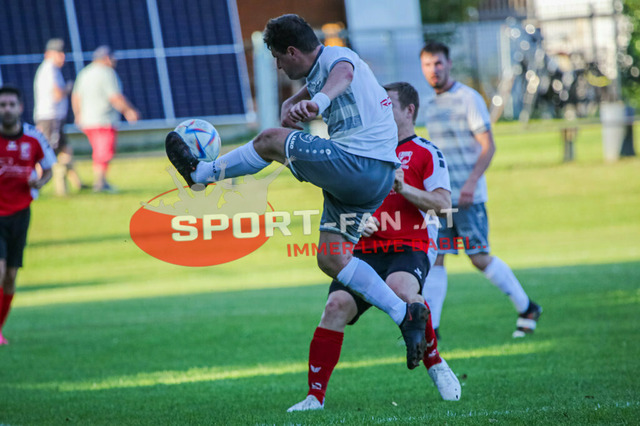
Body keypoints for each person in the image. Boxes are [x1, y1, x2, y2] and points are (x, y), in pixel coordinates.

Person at [166, 14, 429, 367]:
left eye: (278, 57)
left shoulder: (337, 57)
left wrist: (318, 103)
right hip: (372, 181)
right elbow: (327, 79)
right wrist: (295, 101)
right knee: (332, 258)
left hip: (359, 164)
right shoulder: (322, 67)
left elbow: (342, 75)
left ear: (292, 52)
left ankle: (201, 173)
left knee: (270, 139)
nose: (277, 66)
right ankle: (404, 313)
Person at [286, 82, 461, 412]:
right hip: (362, 250)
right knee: (335, 306)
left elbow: (443, 205)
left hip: (409, 245)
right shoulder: (362, 150)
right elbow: (339, 198)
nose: (379, 109)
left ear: (409, 111)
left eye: (387, 104)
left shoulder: (425, 151)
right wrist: (355, 220)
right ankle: (314, 398)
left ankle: (435, 362)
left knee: (402, 291)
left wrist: (403, 188)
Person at [420, 41, 542, 338]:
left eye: (438, 63)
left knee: (478, 256)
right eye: (428, 65)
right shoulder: (430, 104)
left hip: (467, 197)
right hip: (441, 199)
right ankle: (431, 330)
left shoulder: (468, 98)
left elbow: (489, 147)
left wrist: (471, 183)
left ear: (449, 64)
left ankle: (527, 307)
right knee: (436, 257)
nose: (434, 70)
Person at [0, 85, 56, 345]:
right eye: (2, 105)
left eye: (11, 104)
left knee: (10, 277)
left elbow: (48, 169)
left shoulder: (33, 137)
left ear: (20, 107)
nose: (7, 109)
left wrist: (39, 182)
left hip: (21, 214)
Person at [72, 45, 139, 192]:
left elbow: (76, 96)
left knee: (99, 151)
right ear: (107, 58)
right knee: (103, 152)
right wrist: (128, 110)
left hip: (87, 120)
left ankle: (101, 182)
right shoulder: (107, 72)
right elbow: (114, 97)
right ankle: (100, 183)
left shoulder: (84, 73)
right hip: (103, 119)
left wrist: (78, 115)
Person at [34, 38, 85, 196]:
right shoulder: (49, 69)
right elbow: (56, 94)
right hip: (50, 118)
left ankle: (78, 184)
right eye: (58, 53)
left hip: (55, 118)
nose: (62, 57)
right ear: (48, 54)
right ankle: (36, 184)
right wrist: (67, 89)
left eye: (63, 53)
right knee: (47, 153)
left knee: (65, 149)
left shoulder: (52, 69)